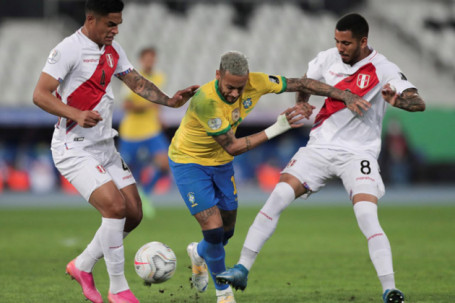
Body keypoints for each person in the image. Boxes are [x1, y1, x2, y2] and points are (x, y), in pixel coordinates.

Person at [216, 13, 425, 303]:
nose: (340, 47)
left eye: (346, 43)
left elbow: (418, 102)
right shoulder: (327, 58)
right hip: (320, 148)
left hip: (358, 153)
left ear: (363, 41)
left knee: (366, 215)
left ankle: (389, 288)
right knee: (278, 196)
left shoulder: (382, 67)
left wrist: (397, 100)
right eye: (337, 41)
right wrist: (302, 105)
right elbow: (305, 83)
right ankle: (241, 268)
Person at [168, 50, 371, 303]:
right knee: (213, 228)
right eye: (230, 87)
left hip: (221, 164)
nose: (234, 93)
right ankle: (224, 292)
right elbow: (232, 146)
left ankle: (198, 253)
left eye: (240, 88)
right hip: (189, 162)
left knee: (226, 233)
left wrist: (345, 95)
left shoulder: (258, 82)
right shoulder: (205, 101)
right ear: (218, 75)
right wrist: (279, 127)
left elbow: (302, 82)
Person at [32, 1, 198, 302]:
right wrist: (75, 113)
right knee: (115, 208)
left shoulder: (113, 49)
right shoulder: (67, 49)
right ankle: (118, 289)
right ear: (91, 19)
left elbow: (135, 81)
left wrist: (169, 101)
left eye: (118, 24)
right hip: (73, 148)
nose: (115, 30)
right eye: (111, 24)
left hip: (105, 145)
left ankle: (82, 265)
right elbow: (39, 94)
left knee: (133, 214)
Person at [118, 47, 169, 219]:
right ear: (141, 60)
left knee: (165, 163)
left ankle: (145, 195)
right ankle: (126, 202)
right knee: (126, 170)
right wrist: (148, 106)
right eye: (147, 59)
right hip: (131, 132)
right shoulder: (132, 78)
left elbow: (158, 104)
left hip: (152, 130)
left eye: (152, 58)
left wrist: (159, 118)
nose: (150, 62)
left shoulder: (159, 77)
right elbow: (126, 106)